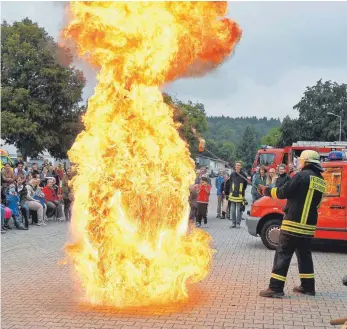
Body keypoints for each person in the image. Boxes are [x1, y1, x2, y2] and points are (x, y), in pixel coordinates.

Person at [258, 150, 326, 298]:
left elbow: (284, 192)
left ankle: (275, 288)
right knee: (304, 256)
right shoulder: (321, 181)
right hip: (308, 226)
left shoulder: (301, 176)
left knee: (283, 254)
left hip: (293, 224)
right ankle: (308, 287)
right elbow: (318, 204)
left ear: (305, 161)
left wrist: (267, 191)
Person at [228, 161, 248, 228]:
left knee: (239, 210)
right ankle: (233, 223)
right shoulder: (232, 174)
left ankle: (238, 223)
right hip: (233, 194)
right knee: (233, 210)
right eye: (237, 165)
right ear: (235, 166)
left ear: (241, 166)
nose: (238, 166)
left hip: (240, 195)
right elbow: (230, 183)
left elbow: (245, 184)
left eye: (239, 165)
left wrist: (242, 192)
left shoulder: (244, 175)